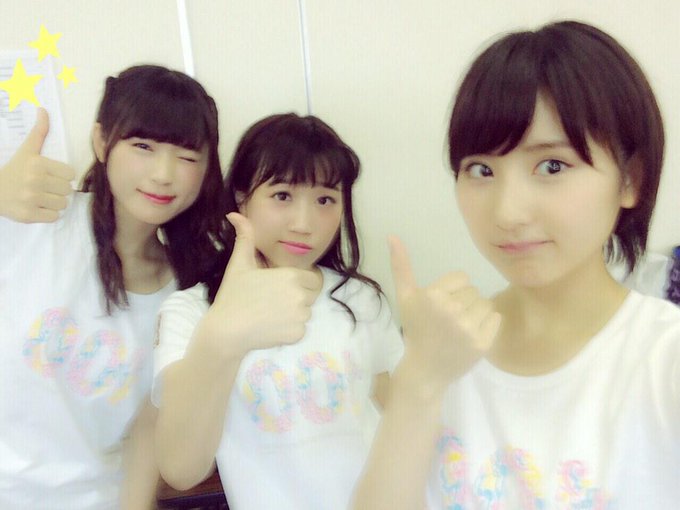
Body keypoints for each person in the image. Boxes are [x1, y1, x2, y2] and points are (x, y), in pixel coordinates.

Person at [353, 20, 680, 509]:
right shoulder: (442, 350)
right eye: (481, 170)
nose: (507, 212)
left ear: (630, 179)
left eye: (552, 166)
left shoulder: (663, 359)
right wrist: (421, 379)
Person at [0, 65, 225, 510]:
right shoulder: (36, 219)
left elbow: (148, 434)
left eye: (187, 156)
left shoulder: (189, 295)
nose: (163, 174)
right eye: (143, 146)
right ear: (102, 142)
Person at [153, 113, 403, 510]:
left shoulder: (359, 299)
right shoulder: (191, 313)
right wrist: (223, 337)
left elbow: (401, 420)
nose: (304, 224)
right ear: (242, 198)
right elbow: (181, 469)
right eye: (283, 195)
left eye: (325, 200)